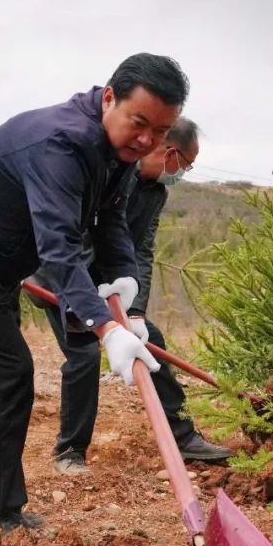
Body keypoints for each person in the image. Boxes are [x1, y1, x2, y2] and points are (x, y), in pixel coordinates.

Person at [0, 53, 188, 534]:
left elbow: (111, 224)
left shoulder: (118, 153)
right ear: (108, 99)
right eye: (139, 123)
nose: (147, 140)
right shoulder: (61, 144)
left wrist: (127, 293)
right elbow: (58, 248)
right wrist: (104, 327)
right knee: (5, 374)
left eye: (160, 133)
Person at [31, 118, 232, 476]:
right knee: (83, 354)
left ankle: (183, 436)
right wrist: (95, 303)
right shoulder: (110, 174)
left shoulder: (156, 193)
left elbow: (141, 251)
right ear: (170, 152)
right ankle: (70, 451)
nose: (182, 173)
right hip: (64, 278)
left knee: (150, 338)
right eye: (185, 164)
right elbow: (71, 239)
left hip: (109, 286)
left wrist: (134, 311)